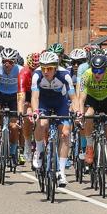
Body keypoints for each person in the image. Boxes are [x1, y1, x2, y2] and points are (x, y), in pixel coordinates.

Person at [75, 54, 107, 186]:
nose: (97, 74)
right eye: (95, 70)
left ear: (105, 69)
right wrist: (80, 114)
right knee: (89, 115)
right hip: (92, 100)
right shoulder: (86, 75)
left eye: (100, 71)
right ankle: (90, 146)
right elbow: (81, 98)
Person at [30, 51, 76, 187]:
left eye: (49, 68)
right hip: (43, 102)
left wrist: (77, 111)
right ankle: (39, 151)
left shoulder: (64, 75)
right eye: (43, 67)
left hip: (60, 103)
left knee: (66, 133)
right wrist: (35, 111)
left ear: (56, 67)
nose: (45, 71)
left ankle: (61, 172)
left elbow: (73, 98)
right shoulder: (37, 75)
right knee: (42, 122)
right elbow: (34, 97)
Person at [0, 48, 22, 164]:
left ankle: (13, 152)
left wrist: (20, 108)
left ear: (15, 62)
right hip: (0, 94)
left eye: (10, 62)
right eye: (4, 61)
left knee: (14, 126)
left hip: (14, 96)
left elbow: (22, 91)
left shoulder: (20, 70)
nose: (7, 64)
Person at [18, 52, 39, 163]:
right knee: (27, 116)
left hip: (40, 94)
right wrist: (21, 111)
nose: (34, 72)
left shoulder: (44, 73)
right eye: (32, 69)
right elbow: (21, 96)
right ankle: (27, 143)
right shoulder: (24, 73)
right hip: (27, 94)